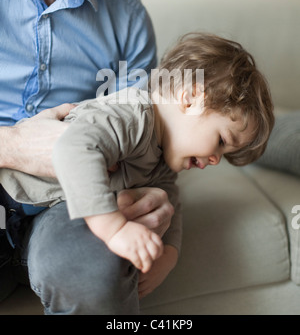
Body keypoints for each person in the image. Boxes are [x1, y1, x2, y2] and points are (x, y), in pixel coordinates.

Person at [0, 0, 175, 314]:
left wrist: (166, 227)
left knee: (93, 272)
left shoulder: (128, 18)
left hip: (74, 203)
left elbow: (149, 150)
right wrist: (11, 146)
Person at [0, 32, 275, 306]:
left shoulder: (164, 161)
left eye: (224, 154)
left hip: (37, 215)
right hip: (9, 193)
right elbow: (73, 148)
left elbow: (171, 201)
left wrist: (169, 254)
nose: (215, 159)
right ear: (190, 99)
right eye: (221, 141)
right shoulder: (133, 115)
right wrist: (114, 229)